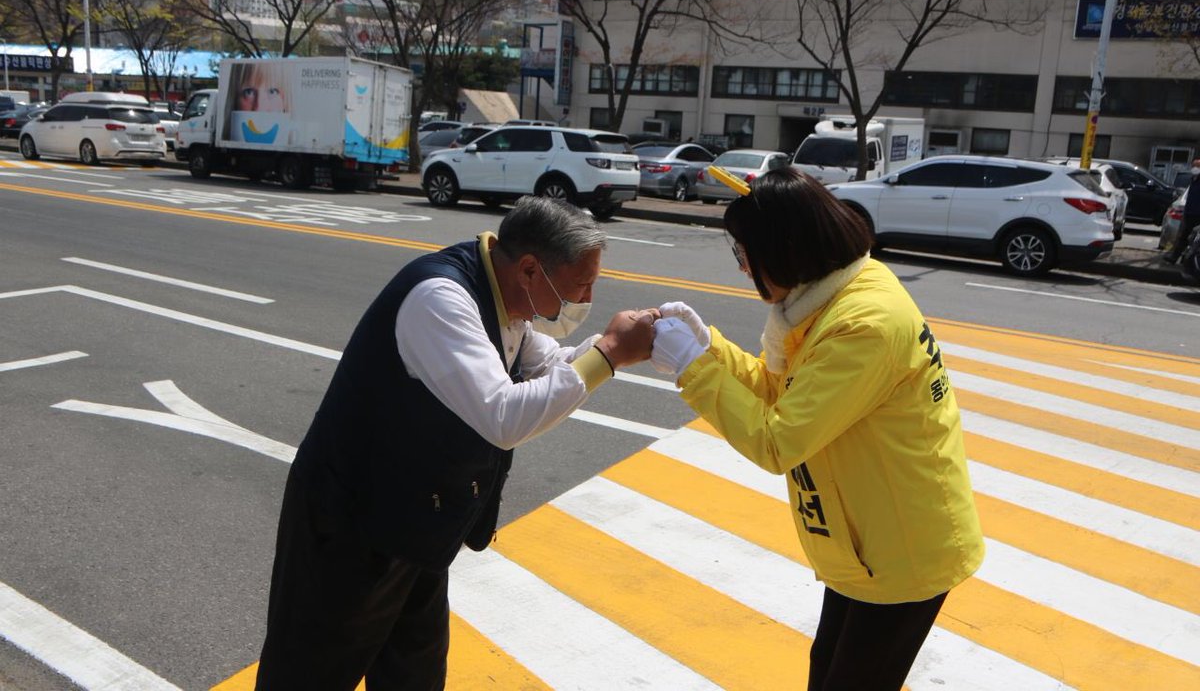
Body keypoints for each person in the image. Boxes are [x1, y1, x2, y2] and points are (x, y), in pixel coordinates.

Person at [256, 196, 657, 690]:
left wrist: (626, 347)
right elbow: (504, 415)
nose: (586, 297)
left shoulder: (507, 297)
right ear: (531, 269)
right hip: (352, 527)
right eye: (582, 284)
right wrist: (609, 354)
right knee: (310, 673)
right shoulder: (441, 300)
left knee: (414, 673)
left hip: (418, 525)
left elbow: (550, 366)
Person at [650, 167, 984, 691]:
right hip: (868, 544)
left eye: (744, 255)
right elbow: (784, 390)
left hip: (901, 555)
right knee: (830, 670)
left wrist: (694, 368)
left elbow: (777, 439)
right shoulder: (826, 301)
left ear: (785, 249)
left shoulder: (863, 323)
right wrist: (709, 347)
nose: (742, 270)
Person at [1163, 157, 1200, 264]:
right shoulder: (1193, 180)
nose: (1195, 168)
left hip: (1198, 215)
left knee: (1195, 239)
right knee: (1183, 237)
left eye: (1198, 166)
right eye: (1194, 166)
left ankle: (1189, 259)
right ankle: (1174, 257)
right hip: (1189, 213)